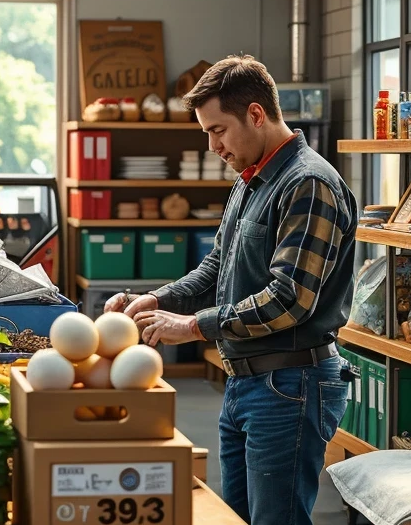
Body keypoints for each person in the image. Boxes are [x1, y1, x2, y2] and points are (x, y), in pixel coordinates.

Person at [105, 55, 357, 525]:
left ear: (256, 114)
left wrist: (194, 327)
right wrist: (157, 300)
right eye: (206, 133)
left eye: (218, 130)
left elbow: (289, 300)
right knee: (236, 518)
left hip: (290, 386)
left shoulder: (308, 183)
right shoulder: (249, 179)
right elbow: (216, 268)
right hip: (246, 381)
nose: (212, 145)